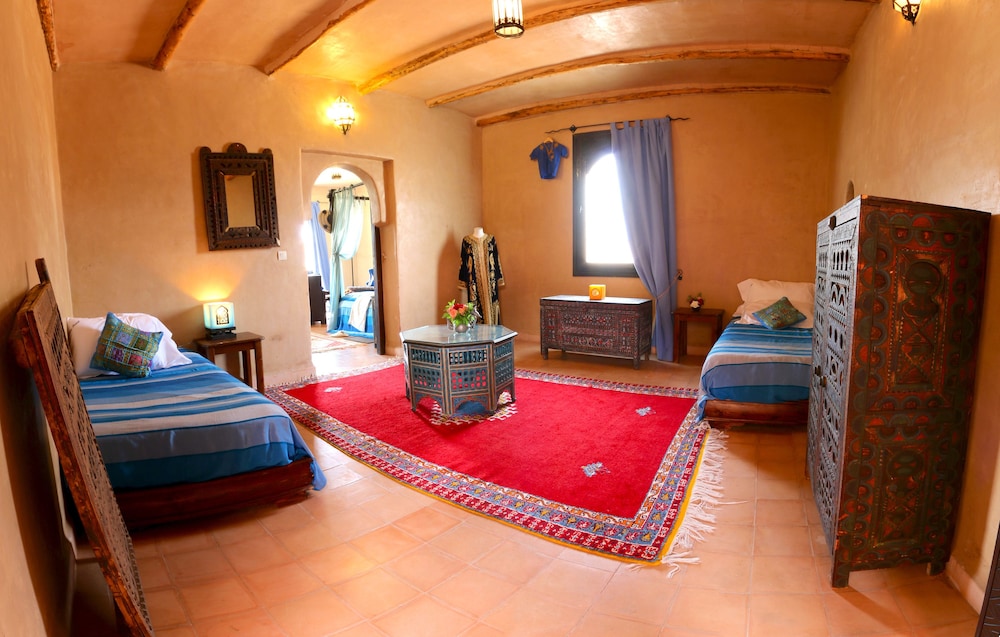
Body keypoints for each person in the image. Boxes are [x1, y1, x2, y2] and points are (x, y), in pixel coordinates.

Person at [458, 227, 504, 324]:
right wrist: (463, 281)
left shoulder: (491, 239)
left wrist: (499, 278)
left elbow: (496, 260)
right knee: (475, 308)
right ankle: (478, 333)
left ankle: (494, 331)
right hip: (473, 281)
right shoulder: (466, 241)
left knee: (493, 307)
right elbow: (463, 262)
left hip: (491, 281)